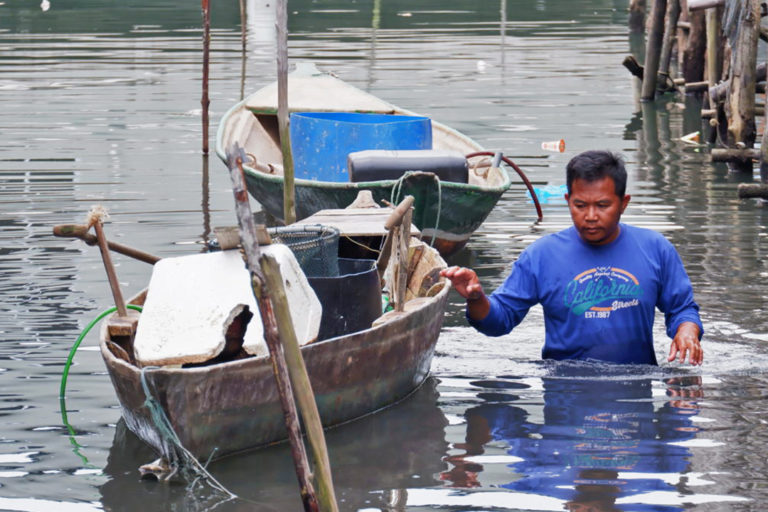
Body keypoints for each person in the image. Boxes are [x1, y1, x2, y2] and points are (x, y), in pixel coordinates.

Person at [440, 150, 703, 365]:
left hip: (635, 396)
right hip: (564, 393)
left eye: (602, 205)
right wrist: (477, 298)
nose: (590, 216)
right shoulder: (541, 256)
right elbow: (499, 320)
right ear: (568, 201)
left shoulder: (656, 249)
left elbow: (682, 308)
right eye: (580, 205)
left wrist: (687, 331)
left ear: (624, 203)